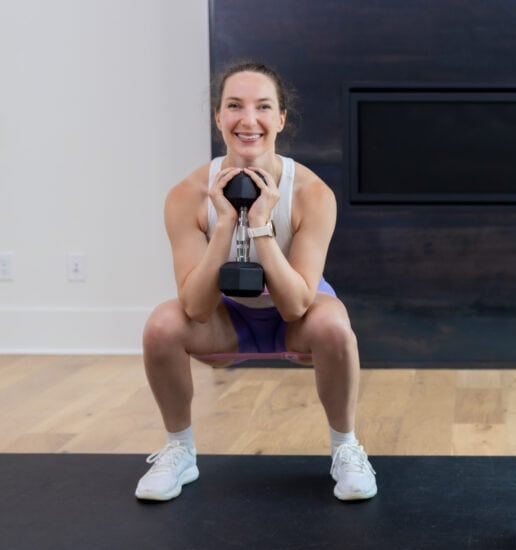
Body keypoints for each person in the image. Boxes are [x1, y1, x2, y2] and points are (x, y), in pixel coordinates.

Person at [135, 61, 376, 503]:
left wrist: (262, 225)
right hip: (226, 321)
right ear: (218, 118)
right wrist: (225, 225)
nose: (249, 120)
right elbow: (194, 308)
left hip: (294, 322)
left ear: (281, 118)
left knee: (333, 322)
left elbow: (298, 306)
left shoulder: (311, 193)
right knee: (161, 325)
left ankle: (346, 448)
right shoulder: (186, 195)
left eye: (263, 107)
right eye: (234, 106)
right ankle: (179, 451)